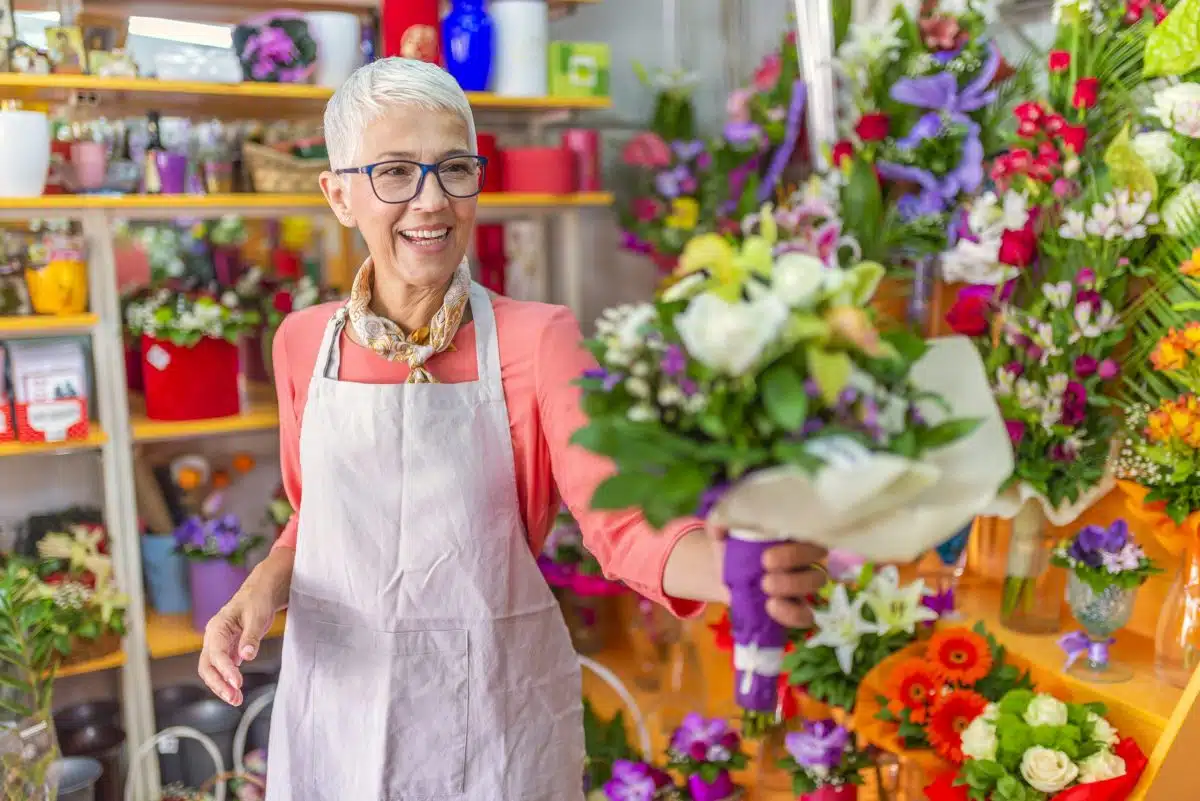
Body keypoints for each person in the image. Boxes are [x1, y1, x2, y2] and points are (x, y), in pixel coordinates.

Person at [197, 57, 826, 801]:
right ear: (338, 194)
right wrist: (262, 589)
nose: (431, 201)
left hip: (495, 722)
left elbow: (620, 521)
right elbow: (314, 517)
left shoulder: (538, 339)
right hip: (339, 712)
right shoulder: (304, 344)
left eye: (454, 168)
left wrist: (738, 574)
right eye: (395, 172)